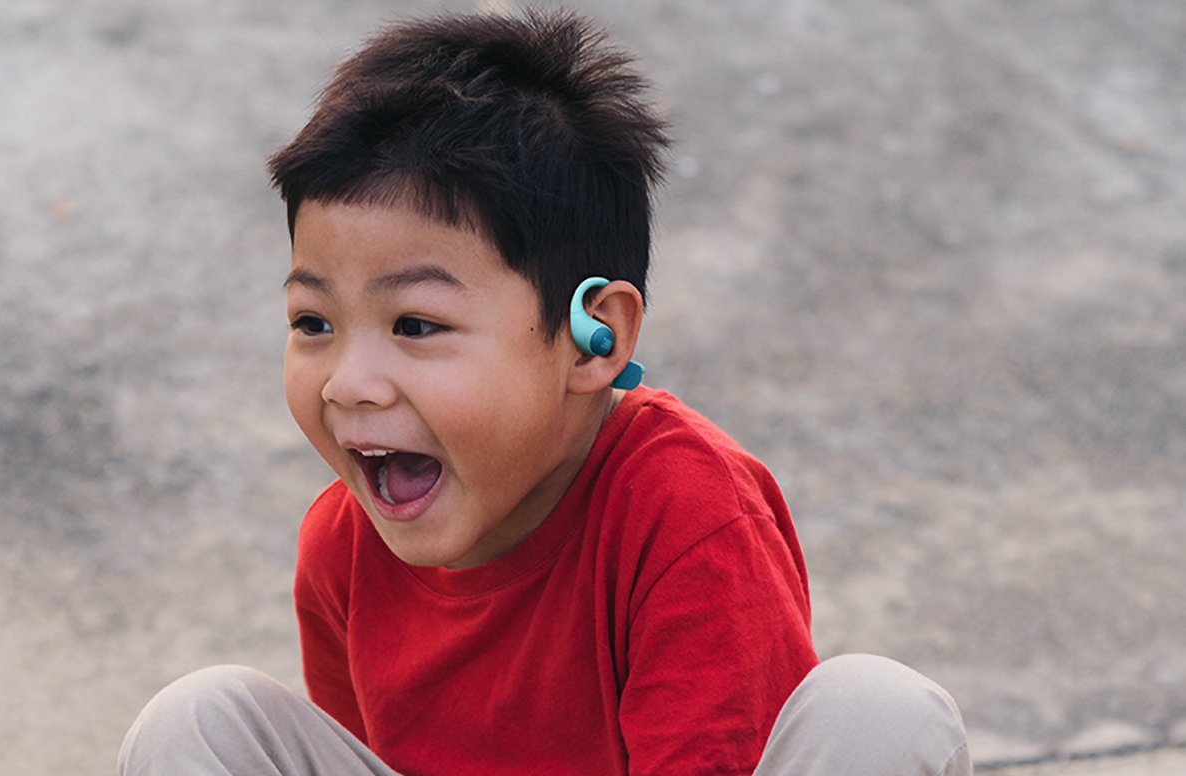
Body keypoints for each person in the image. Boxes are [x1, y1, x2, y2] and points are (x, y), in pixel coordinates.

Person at [119, 9, 971, 776]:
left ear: (592, 337)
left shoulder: (685, 514)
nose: (348, 383)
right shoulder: (344, 542)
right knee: (201, 719)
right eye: (313, 323)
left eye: (415, 324)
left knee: (878, 713)